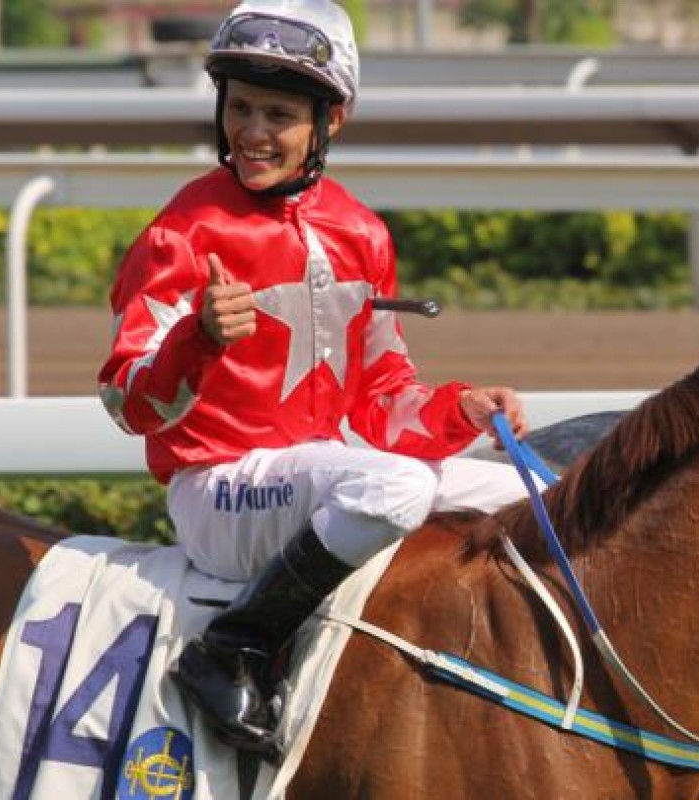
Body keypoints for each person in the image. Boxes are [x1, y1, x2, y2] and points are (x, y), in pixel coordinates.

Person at [97, 0, 531, 761]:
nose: (253, 134)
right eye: (240, 108)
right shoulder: (183, 232)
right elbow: (125, 401)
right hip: (219, 491)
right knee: (391, 489)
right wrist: (195, 341)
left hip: (326, 477)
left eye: (279, 114)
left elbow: (383, 400)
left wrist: (459, 407)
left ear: (334, 120)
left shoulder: (363, 233)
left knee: (535, 495)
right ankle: (231, 649)